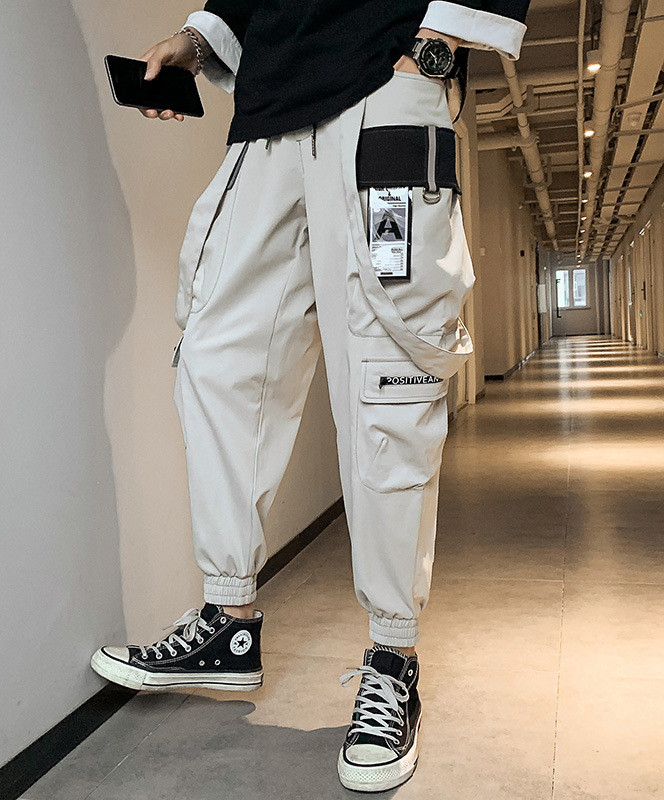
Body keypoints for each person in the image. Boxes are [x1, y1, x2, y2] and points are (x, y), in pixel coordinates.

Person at [92, 0, 529, 791]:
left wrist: (432, 46)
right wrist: (198, 40)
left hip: (382, 87)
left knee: (389, 379)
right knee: (217, 360)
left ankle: (393, 656)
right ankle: (228, 622)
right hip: (266, 114)